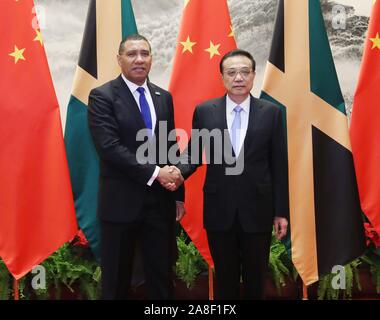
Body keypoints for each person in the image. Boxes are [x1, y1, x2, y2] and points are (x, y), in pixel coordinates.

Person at [177, 49, 289, 299]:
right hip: (220, 209)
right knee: (225, 280)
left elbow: (279, 164)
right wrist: (175, 172)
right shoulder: (205, 111)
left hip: (258, 210)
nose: (238, 77)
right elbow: (194, 153)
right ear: (222, 77)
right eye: (232, 72)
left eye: (244, 72)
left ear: (253, 75)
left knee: (255, 279)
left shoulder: (271, 113)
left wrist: (281, 211)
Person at [88, 34, 185, 300]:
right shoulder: (102, 96)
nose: (139, 59)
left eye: (145, 53)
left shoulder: (162, 97)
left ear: (152, 58)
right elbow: (109, 148)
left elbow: (169, 146)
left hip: (160, 203)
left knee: (161, 277)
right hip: (121, 204)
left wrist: (177, 193)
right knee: (117, 281)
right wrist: (156, 173)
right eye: (131, 54)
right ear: (119, 59)